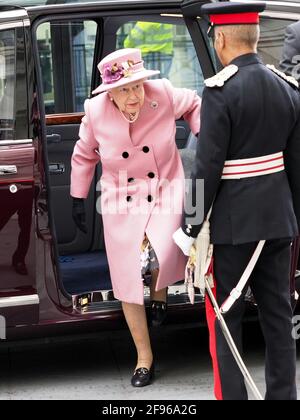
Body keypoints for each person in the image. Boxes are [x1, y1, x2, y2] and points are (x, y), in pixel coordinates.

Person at [174, 2, 299, 400]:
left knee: (228, 321)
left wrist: (189, 227)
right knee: (279, 319)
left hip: (234, 230)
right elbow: (295, 168)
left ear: (221, 37)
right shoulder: (288, 88)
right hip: (278, 224)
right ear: (256, 37)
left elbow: (204, 170)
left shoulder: (218, 92)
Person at [70, 48, 201, 387]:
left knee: (162, 248)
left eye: (138, 86)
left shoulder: (165, 94)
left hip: (165, 189)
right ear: (109, 92)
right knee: (126, 279)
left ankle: (159, 296)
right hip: (119, 199)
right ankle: (144, 358)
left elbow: (198, 104)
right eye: (125, 89)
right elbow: (84, 154)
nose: (134, 96)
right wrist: (77, 198)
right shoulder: (94, 112)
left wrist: (207, 140)